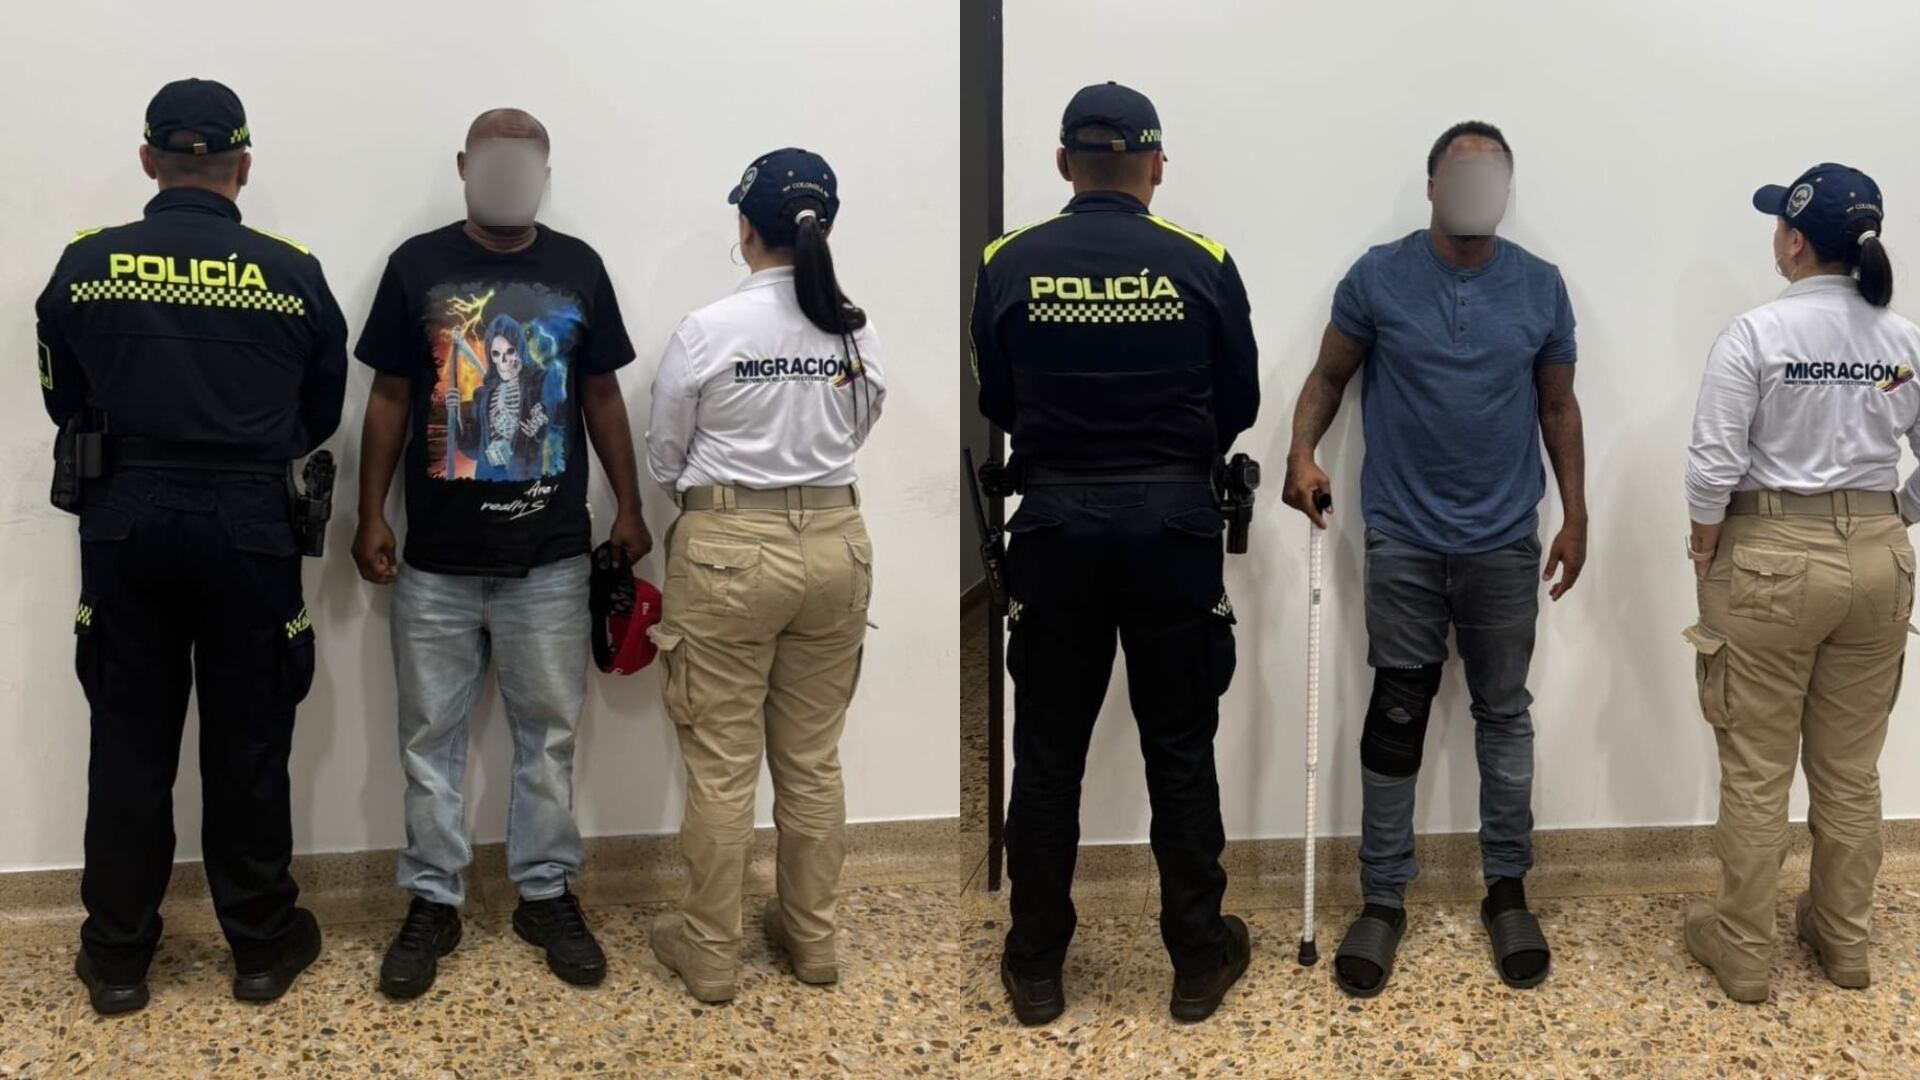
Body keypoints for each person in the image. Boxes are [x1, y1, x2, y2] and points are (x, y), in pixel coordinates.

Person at [34, 79, 347, 1015]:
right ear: (242, 166)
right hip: (251, 524)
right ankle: (261, 949)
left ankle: (117, 959)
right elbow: (317, 414)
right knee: (250, 741)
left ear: (147, 160)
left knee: (127, 741)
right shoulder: (292, 272)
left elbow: (63, 398)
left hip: (124, 519)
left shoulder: (86, 265)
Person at [972, 82, 1260, 1025]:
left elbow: (999, 402)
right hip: (1174, 526)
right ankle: (1196, 963)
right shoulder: (1202, 260)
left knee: (1047, 750)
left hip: (1055, 525)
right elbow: (1240, 403)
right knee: (1179, 746)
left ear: (1064, 163)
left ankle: (1036, 968)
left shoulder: (1007, 261)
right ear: (1156, 165)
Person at [1281, 120, 1586, 997]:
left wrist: (1577, 514)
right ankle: (1382, 898)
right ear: (1431, 187)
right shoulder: (1378, 276)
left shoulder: (1540, 286)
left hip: (1504, 540)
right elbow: (1328, 378)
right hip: (1403, 537)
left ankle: (1507, 890)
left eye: (1492, 181)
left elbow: (1558, 407)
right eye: (1460, 179)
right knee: (1397, 711)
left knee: (1504, 714)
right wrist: (1301, 452)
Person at [351, 108, 651, 997]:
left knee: (548, 737)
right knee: (427, 740)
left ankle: (544, 893)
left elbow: (600, 395)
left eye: (525, 164)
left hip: (551, 559)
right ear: (463, 165)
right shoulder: (416, 266)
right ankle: (432, 900)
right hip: (435, 563)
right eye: (493, 161)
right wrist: (370, 514)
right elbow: (389, 398)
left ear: (545, 174)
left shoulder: (578, 266)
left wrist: (629, 505)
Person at [643, 147, 884, 1004]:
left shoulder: (709, 330)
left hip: (728, 547)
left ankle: (711, 951)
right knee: (812, 760)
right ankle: (813, 939)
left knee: (722, 764)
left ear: (745, 228)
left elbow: (665, 454)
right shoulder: (855, 331)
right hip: (837, 544)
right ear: (827, 229)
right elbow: (858, 429)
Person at [1682, 163, 1916, 1003]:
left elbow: (1713, 463)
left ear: (1793, 241)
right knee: (1851, 768)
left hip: (1771, 556)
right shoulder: (1903, 341)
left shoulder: (1757, 334)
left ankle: (1745, 949)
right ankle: (1843, 939)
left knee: (1757, 766)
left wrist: (1705, 549)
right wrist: (1893, 514)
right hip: (1880, 562)